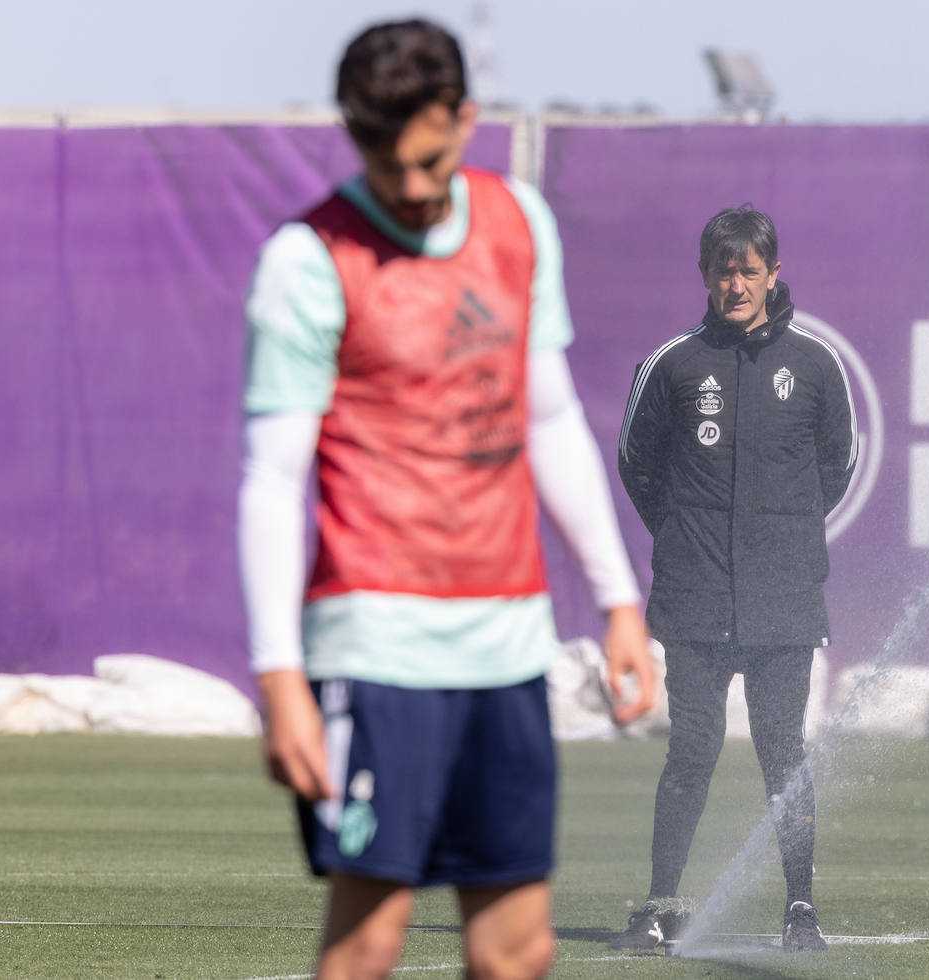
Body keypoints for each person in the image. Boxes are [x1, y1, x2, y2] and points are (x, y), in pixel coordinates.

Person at [236, 19, 657, 980]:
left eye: (431, 159)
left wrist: (618, 599)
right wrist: (278, 677)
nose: (414, 187)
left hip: (508, 645)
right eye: (388, 165)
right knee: (369, 943)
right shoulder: (306, 261)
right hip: (375, 647)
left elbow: (549, 420)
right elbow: (272, 477)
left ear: (467, 119)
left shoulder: (519, 223)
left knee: (518, 950)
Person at [614, 206, 857, 952]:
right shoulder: (673, 363)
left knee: (783, 746)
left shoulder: (815, 364)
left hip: (784, 596)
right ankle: (660, 906)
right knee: (692, 748)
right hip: (696, 598)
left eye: (751, 270)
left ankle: (801, 909)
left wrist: (780, 538)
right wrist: (685, 538)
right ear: (706, 274)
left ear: (774, 274)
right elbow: (637, 465)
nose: (737, 284)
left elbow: (837, 467)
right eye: (725, 269)